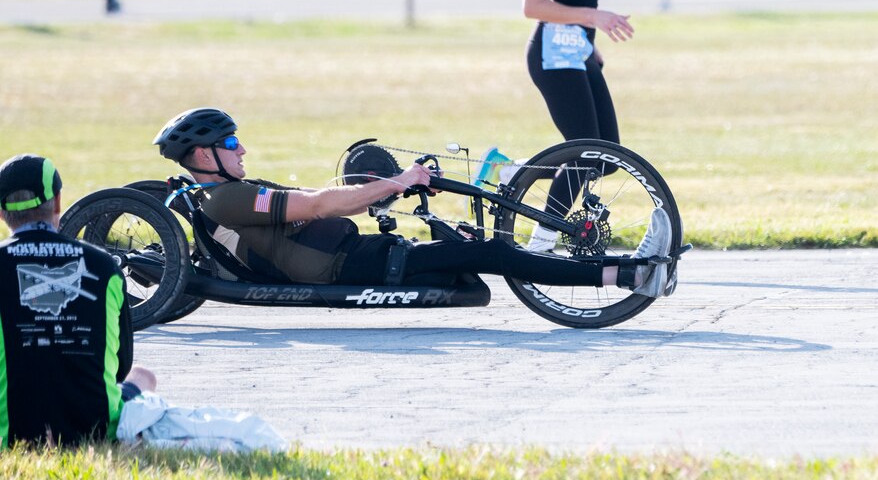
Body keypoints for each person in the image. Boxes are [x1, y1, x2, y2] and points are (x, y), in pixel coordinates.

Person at [153, 108, 672, 299]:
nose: (241, 148)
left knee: (467, 247)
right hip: (350, 266)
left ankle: (629, 274)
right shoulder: (226, 199)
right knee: (494, 254)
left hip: (362, 254)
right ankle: (629, 275)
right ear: (203, 154)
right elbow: (316, 205)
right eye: (229, 143)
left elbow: (325, 209)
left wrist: (395, 187)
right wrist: (397, 179)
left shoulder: (224, 199)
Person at [500, 0, 632, 250]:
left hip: (577, 54)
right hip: (551, 57)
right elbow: (533, 6)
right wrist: (595, 17)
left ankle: (515, 173)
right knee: (586, 153)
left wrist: (591, 46)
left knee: (606, 155)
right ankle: (541, 242)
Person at [0, 154, 156, 448]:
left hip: (12, 437)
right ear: (58, 202)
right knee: (143, 376)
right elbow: (122, 367)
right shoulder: (105, 266)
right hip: (96, 433)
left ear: (1, 212)